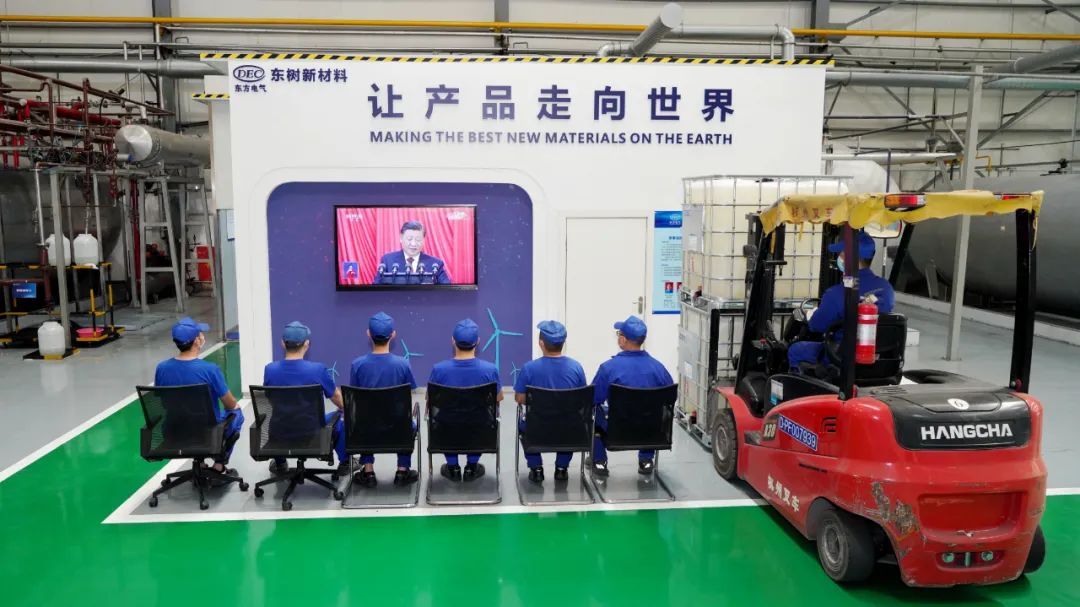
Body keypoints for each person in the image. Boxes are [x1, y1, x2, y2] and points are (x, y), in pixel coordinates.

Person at [787, 231, 896, 371]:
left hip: (841, 358)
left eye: (842, 254)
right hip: (878, 359)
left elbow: (816, 326)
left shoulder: (837, 294)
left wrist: (812, 314)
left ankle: (802, 383)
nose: (840, 258)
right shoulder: (886, 288)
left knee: (795, 349)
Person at [153, 317, 244, 481]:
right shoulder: (210, 370)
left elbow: (163, 401)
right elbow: (230, 404)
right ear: (196, 341)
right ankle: (219, 465)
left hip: (173, 432)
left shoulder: (162, 368)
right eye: (200, 334)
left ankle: (200, 464)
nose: (203, 336)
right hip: (206, 433)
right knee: (236, 413)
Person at [589, 316, 674, 477]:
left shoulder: (608, 368)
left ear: (623, 340)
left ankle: (599, 461)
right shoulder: (658, 368)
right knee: (651, 413)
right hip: (651, 433)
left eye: (619, 334)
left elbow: (592, 399)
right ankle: (646, 460)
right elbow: (669, 398)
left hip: (617, 431)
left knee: (593, 411)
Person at [261, 321, 347, 476]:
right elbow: (336, 396)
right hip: (312, 434)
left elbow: (269, 399)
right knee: (340, 419)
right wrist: (344, 407)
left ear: (282, 343)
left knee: (277, 419)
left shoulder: (270, 370)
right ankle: (345, 463)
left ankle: (280, 463)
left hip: (279, 434)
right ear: (306, 344)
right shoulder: (318, 370)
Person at [348, 312, 421, 487]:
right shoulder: (403, 364)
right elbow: (409, 392)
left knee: (363, 420)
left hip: (367, 428)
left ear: (369, 334)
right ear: (393, 335)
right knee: (408, 423)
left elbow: (354, 397)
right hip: (397, 428)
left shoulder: (357, 365)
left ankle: (368, 472)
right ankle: (402, 471)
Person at [514, 320, 587, 484]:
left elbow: (519, 398)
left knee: (523, 425)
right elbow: (582, 397)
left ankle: (536, 469)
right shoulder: (576, 367)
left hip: (537, 429)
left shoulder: (529, 368)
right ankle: (562, 468)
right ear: (563, 343)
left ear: (541, 343)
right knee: (570, 422)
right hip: (569, 429)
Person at [428, 318, 500, 482]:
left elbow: (430, 398)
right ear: (478, 342)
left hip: (445, 430)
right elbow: (499, 397)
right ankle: (471, 466)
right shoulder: (490, 370)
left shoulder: (439, 369)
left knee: (446, 419)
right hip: (480, 430)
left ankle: (452, 467)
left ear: (453, 341)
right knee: (479, 419)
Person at [373, 220, 451, 285]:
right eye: (409, 239)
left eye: (418, 239)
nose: (413, 244)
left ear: (424, 240)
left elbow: (447, 290)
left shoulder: (436, 264)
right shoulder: (388, 260)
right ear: (401, 238)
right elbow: (375, 290)